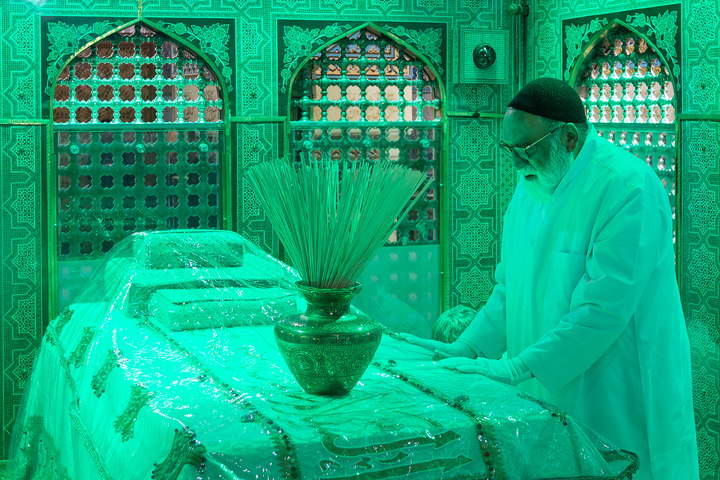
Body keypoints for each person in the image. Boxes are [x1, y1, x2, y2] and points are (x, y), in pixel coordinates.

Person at [403, 77, 698, 479]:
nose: (516, 162)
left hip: (613, 390)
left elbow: (601, 312)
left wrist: (514, 368)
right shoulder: (532, 185)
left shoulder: (627, 188)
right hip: (539, 386)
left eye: (525, 148)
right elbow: (509, 291)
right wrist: (467, 349)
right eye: (509, 149)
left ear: (569, 139)